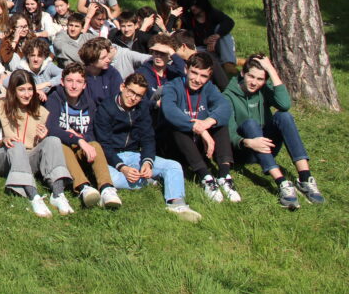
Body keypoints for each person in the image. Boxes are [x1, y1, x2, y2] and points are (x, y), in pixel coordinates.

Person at [94, 73, 203, 222]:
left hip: (134, 154)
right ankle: (148, 180)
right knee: (112, 179)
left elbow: (148, 138)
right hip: (111, 158)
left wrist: (147, 161)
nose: (133, 98)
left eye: (138, 95)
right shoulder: (106, 108)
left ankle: (177, 204)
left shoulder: (142, 107)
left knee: (173, 166)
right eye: (131, 92)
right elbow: (104, 145)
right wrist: (122, 168)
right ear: (122, 87)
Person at [223, 55, 325, 209]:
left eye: (260, 79)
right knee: (250, 124)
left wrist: (271, 70)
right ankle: (282, 183)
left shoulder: (263, 89)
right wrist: (248, 142)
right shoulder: (228, 95)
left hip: (266, 146)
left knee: (284, 116)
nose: (254, 82)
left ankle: (305, 178)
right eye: (251, 76)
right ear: (243, 73)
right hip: (245, 150)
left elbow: (284, 104)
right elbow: (229, 133)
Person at [0, 70, 73, 217]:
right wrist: (3, 140)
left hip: (28, 158)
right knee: (16, 144)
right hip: (5, 156)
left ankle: (58, 193)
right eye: (21, 90)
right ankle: (33, 196)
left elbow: (40, 148)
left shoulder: (41, 112)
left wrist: (42, 138)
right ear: (13, 91)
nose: (27, 94)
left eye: (30, 89)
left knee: (53, 140)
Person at [161, 53, 240, 203]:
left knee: (219, 122)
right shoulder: (172, 86)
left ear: (209, 76)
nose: (197, 80)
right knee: (177, 126)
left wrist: (208, 122)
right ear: (186, 69)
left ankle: (224, 175)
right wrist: (199, 128)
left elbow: (225, 106)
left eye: (203, 76)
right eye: (194, 73)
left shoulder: (209, 88)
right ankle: (206, 177)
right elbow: (170, 111)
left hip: (198, 144)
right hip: (176, 146)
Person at [45, 64, 122, 210]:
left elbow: (91, 132)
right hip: (62, 153)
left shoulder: (89, 103)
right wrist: (76, 139)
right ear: (62, 82)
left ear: (84, 85)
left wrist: (82, 139)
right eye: (69, 81)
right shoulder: (54, 99)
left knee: (95, 145)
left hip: (81, 150)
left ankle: (106, 188)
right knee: (60, 144)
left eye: (79, 82)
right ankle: (84, 187)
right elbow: (52, 129)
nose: (74, 86)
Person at [187, 0, 237, 69]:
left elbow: (229, 22)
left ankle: (228, 63)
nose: (193, 8)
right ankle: (218, 63)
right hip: (201, 48)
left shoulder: (212, 13)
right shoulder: (188, 19)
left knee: (225, 35)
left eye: (196, 5)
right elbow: (189, 37)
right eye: (191, 5)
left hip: (217, 45)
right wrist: (204, 41)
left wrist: (217, 36)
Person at [78, 38, 123, 105]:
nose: (108, 60)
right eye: (103, 58)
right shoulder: (79, 75)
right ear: (91, 61)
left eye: (107, 56)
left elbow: (117, 98)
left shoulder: (112, 74)